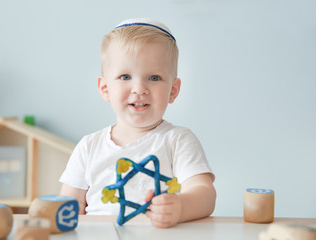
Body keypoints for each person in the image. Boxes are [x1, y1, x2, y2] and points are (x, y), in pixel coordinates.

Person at [59, 18, 216, 228]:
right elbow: (66, 208)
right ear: (105, 88)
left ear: (173, 90)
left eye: (154, 78)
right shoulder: (88, 147)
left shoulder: (177, 140)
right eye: (125, 76)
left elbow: (205, 195)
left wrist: (180, 207)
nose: (139, 88)